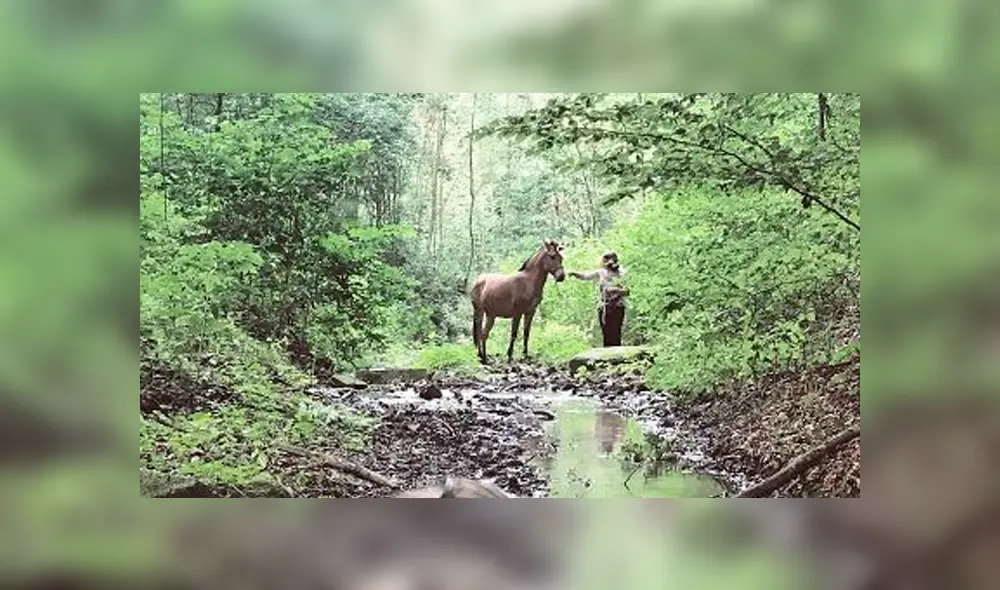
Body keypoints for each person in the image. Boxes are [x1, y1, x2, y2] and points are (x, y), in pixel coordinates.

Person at [569, 251, 629, 347]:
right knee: (606, 333)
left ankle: (616, 353)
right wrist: (573, 273)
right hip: (604, 307)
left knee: (616, 331)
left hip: (618, 306)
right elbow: (585, 276)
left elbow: (627, 291)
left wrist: (614, 290)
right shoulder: (601, 272)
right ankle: (607, 355)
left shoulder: (622, 273)